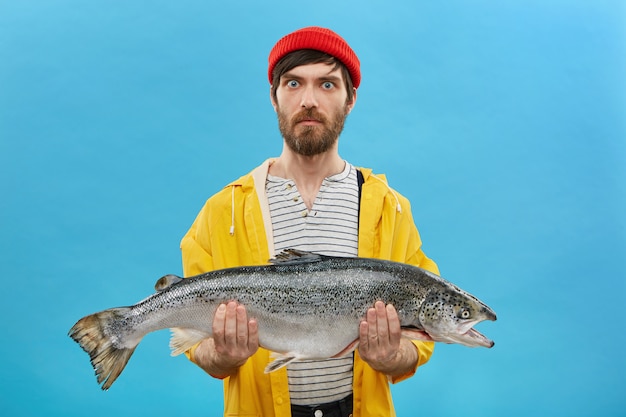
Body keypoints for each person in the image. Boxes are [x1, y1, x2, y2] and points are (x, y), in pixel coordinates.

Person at [180, 26, 439, 417]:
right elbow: (195, 345)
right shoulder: (223, 211)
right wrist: (220, 354)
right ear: (274, 96)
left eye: (328, 85)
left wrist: (392, 355)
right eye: (294, 83)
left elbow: (416, 345)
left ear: (351, 100)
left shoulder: (390, 209)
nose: (309, 100)